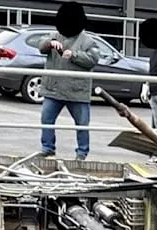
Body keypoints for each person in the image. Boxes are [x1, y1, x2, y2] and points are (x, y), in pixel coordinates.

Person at [39, 2, 101, 160]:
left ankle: (82, 153)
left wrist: (74, 55)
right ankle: (47, 148)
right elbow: (40, 45)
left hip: (77, 91)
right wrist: (49, 44)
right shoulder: (54, 35)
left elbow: (93, 59)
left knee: (82, 124)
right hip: (53, 89)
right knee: (46, 119)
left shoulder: (88, 41)